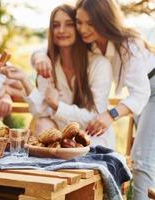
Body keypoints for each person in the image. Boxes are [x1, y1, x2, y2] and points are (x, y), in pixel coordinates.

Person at [33, 0, 155, 198]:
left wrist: (111, 114)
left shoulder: (128, 44)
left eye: (90, 23)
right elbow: (45, 45)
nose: (83, 29)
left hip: (152, 88)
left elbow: (141, 93)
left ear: (104, 20)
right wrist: (39, 56)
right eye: (79, 22)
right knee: (147, 155)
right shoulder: (94, 44)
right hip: (144, 92)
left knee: (142, 158)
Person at [2, 4, 115, 148]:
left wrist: (56, 106)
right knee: (43, 123)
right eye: (56, 25)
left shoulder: (99, 64)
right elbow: (40, 111)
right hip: (60, 139)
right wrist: (24, 79)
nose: (61, 31)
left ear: (78, 28)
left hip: (91, 137)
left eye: (69, 24)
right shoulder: (48, 63)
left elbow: (94, 119)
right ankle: (50, 167)